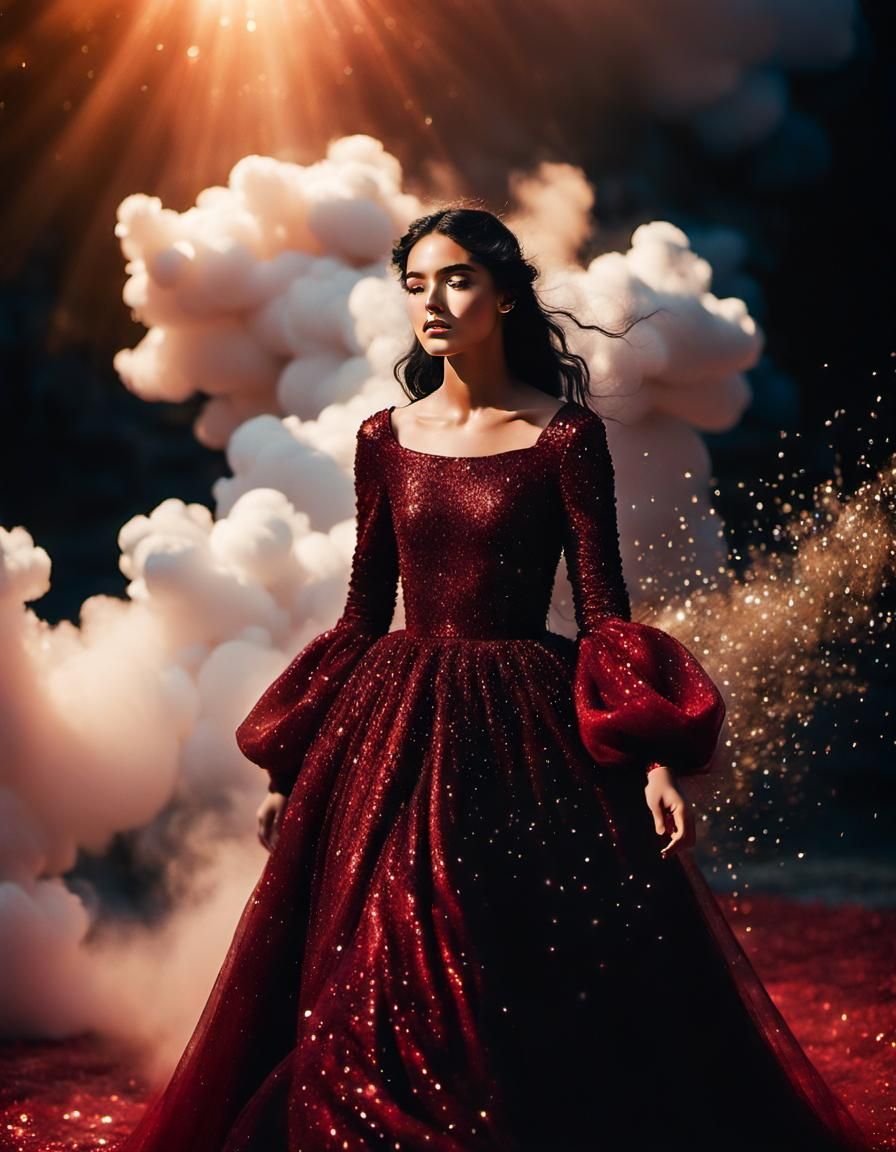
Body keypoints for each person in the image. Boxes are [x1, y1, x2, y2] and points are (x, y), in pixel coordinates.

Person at [118, 208, 873, 1151]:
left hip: (525, 734)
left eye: (456, 280)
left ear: (506, 294)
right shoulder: (384, 438)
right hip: (393, 731)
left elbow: (603, 611)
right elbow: (363, 612)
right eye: (416, 284)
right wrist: (289, 768)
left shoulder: (565, 438)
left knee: (525, 972)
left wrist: (651, 763)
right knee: (386, 959)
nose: (431, 301)